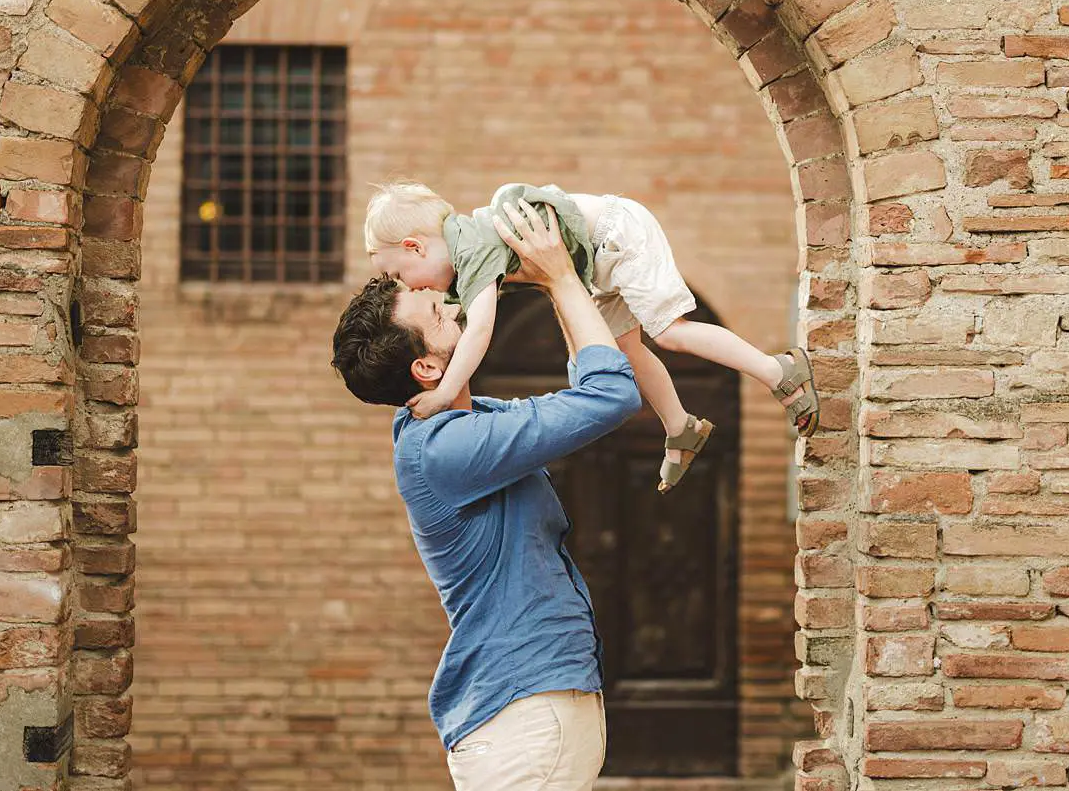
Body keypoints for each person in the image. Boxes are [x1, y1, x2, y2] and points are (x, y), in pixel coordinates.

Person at [331, 199, 639, 790]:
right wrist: (563, 278)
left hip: (532, 712)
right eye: (438, 312)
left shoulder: (468, 424)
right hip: (524, 718)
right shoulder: (450, 448)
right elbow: (610, 396)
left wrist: (554, 283)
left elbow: (585, 390)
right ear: (426, 369)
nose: (456, 303)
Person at [364, 180, 821, 491]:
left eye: (403, 276)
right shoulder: (466, 259)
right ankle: (680, 426)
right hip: (596, 263)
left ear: (415, 247)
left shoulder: (472, 248)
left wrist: (445, 393)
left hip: (616, 233)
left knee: (670, 332)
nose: (413, 289)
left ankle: (776, 369)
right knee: (623, 349)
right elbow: (463, 321)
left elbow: (480, 329)